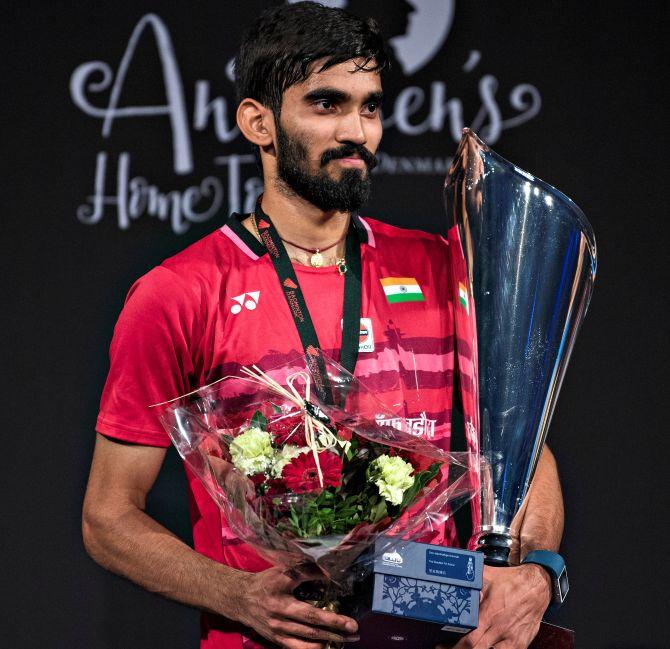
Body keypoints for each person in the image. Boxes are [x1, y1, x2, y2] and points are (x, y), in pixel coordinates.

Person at [83, 3, 564, 649]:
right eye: (327, 104)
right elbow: (108, 516)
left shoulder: (440, 264)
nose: (357, 130)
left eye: (370, 106)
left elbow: (523, 455)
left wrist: (535, 570)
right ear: (258, 122)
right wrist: (237, 595)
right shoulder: (180, 292)